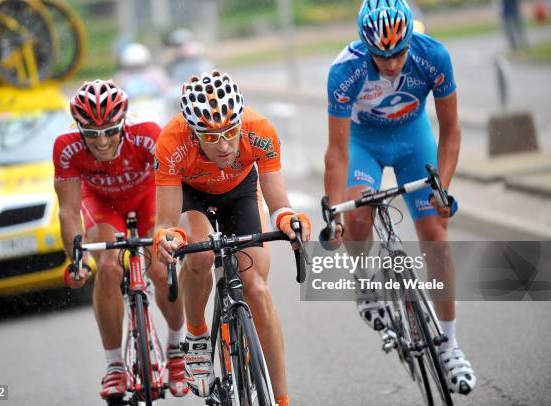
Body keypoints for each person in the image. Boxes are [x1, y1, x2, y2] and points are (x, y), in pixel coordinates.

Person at [324, 0, 476, 395]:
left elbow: (452, 131)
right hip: (364, 144)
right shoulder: (345, 70)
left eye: (398, 52)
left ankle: (451, 343)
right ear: (365, 46)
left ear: (412, 39)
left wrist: (442, 186)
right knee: (358, 217)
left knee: (436, 238)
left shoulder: (433, 56)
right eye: (381, 55)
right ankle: (364, 279)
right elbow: (337, 152)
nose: (391, 64)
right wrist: (334, 211)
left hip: (413, 140)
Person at [152, 70, 311, 405]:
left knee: (256, 289)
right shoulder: (171, 141)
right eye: (210, 138)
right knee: (201, 256)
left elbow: (280, 205)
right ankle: (196, 334)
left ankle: (280, 399)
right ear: (194, 134)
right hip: (192, 195)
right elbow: (166, 222)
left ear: (240, 121)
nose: (224, 146)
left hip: (240, 192)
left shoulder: (260, 130)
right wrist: (166, 239)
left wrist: (291, 222)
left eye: (230, 131)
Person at [53, 79, 189, 401]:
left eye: (110, 131)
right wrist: (76, 260)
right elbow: (68, 211)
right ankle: (114, 366)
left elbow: (171, 187)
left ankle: (176, 348)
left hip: (146, 201)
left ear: (123, 123)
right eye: (92, 134)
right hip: (103, 206)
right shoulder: (66, 146)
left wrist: (171, 232)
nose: (101, 141)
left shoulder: (147, 135)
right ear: (79, 129)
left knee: (159, 269)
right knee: (110, 268)